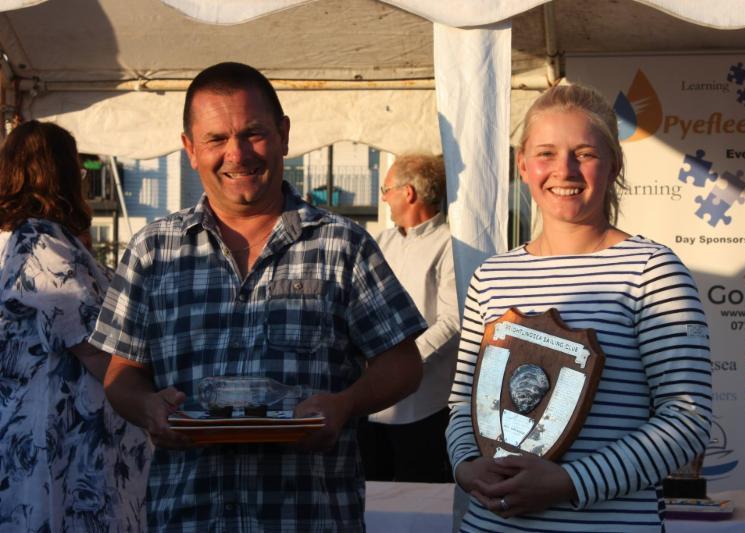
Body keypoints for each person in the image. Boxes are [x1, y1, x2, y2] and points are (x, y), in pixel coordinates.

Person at [89, 62, 426, 532]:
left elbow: (404, 364)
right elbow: (122, 374)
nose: (237, 154)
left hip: (306, 517)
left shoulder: (342, 245)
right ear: (189, 148)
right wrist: (147, 408)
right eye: (216, 139)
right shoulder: (153, 250)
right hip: (188, 517)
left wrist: (345, 403)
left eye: (253, 133)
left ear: (284, 135)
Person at [446, 84, 712, 532]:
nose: (563, 170)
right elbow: (460, 406)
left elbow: (687, 418)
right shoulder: (491, 277)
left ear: (614, 166)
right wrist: (467, 467)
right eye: (546, 153)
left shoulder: (652, 271)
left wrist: (571, 481)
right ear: (523, 165)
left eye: (584, 153)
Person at [0, 121, 150, 532]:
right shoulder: (42, 245)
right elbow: (95, 350)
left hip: (52, 444)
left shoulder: (34, 240)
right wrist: (153, 398)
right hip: (61, 453)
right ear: (62, 175)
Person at [359, 153, 459, 483]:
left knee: (421, 508)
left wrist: (403, 362)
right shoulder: (380, 242)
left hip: (424, 407)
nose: (384, 197)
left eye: (386, 189)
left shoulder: (449, 246)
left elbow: (453, 322)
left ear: (408, 193)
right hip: (371, 406)